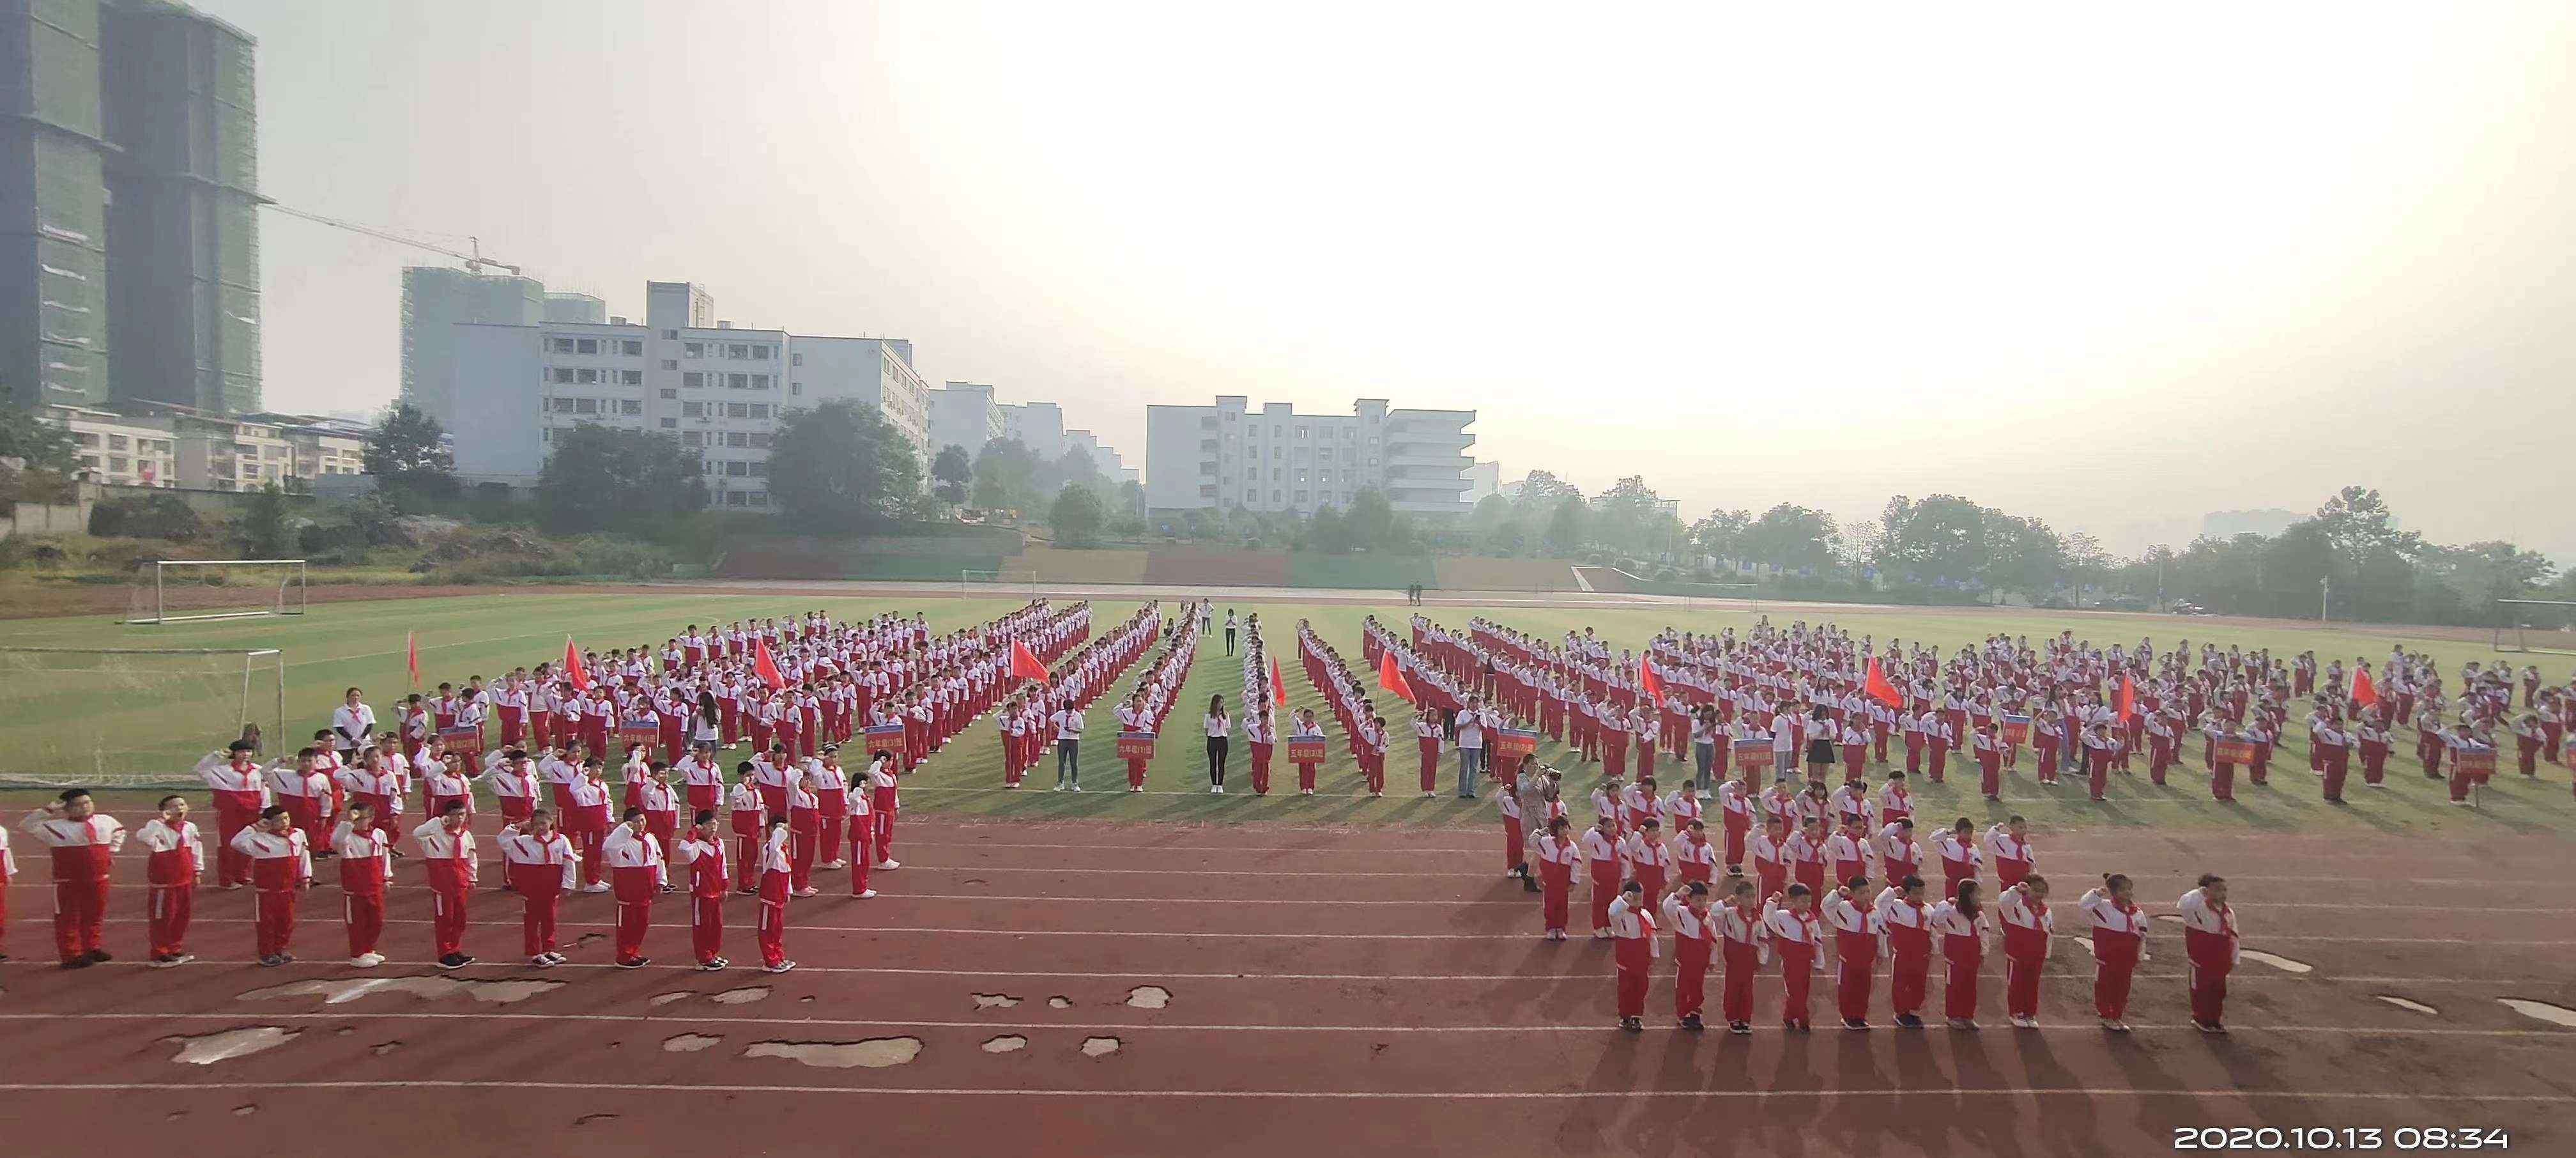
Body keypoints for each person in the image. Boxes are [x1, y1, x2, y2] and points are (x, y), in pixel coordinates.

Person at [22, 789, 125, 968]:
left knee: (95, 915)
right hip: (68, 882)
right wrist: (49, 810)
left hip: (99, 878)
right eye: (78, 805)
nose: (85, 807)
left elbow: (120, 832)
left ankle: (92, 947)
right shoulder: (55, 827)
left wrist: (112, 851)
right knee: (68, 918)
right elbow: (27, 825)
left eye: (88, 802)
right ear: (67, 809)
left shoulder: (106, 821)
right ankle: (71, 955)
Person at [232, 805, 312, 966]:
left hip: (289, 886)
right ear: (268, 822)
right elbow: (236, 843)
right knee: (267, 923)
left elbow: (304, 855)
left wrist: (306, 877)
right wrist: (254, 828)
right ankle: (266, 953)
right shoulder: (259, 838)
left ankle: (281, 949)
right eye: (278, 820)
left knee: (287, 921)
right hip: (267, 889)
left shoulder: (298, 834)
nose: (284, 822)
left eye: (286, 818)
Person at [136, 796, 203, 967]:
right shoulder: (157, 827)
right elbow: (143, 838)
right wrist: (159, 822)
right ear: (164, 811)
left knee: (182, 916)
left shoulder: (190, 827)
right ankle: (160, 953)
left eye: (182, 804)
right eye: (172, 807)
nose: (179, 809)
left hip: (185, 879)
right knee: (163, 917)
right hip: (164, 882)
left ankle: (175, 948)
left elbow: (196, 849)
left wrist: (197, 870)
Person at [2078, 873, 2148, 1031]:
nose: (2128, 893)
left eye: (2129, 889)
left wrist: (2139, 954)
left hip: (2127, 959)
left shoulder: (2137, 913)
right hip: (2107, 958)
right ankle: (2105, 1015)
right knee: (2105, 986)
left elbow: (2142, 935)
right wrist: (2096, 894)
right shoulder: (2103, 907)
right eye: (2123, 890)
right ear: (2113, 892)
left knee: (2122, 989)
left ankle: (2117, 1016)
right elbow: (2083, 906)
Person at [413, 800, 479, 969]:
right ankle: (444, 954)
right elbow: (417, 833)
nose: (459, 818)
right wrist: (438, 822)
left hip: (461, 884)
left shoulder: (466, 835)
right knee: (445, 920)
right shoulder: (433, 836)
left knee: (460, 919)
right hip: (443, 886)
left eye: (462, 814)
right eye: (455, 815)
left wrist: (472, 877)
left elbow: (471, 857)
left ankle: (455, 949)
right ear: (447, 816)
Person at [604, 808, 668, 968]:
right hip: (628, 891)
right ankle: (624, 956)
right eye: (636, 821)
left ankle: (634, 951)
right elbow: (608, 847)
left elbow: (658, 858)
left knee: (642, 923)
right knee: (627, 925)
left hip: (646, 889)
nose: (641, 824)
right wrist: (625, 828)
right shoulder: (621, 842)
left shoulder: (650, 838)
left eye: (642, 820)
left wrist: (661, 880)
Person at [333, 801, 394, 967]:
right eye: (356, 818)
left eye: (362, 818)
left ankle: (368, 949)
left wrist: (386, 877)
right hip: (355, 886)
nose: (358, 822)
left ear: (371, 818)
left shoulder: (379, 834)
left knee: (377, 920)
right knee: (357, 921)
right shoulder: (347, 835)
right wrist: (348, 822)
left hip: (375, 884)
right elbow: (336, 841)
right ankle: (357, 954)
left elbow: (384, 856)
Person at [2177, 873, 2239, 1033]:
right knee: (2201, 988)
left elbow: (2234, 935)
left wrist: (2234, 957)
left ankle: (2214, 1019)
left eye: (2224, 890)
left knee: (2218, 990)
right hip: (2202, 956)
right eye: (2217, 890)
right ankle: (2200, 1018)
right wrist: (2199, 893)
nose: (2223, 894)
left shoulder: (2228, 912)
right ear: (2206, 891)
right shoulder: (2199, 908)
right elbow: (2184, 905)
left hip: (2221, 957)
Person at [1821, 876, 1883, 1030]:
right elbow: (1826, 906)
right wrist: (1838, 894)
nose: (1867, 896)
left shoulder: (1874, 912)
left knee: (1864, 989)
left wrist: (1881, 953)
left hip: (1866, 961)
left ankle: (1860, 1016)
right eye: (1862, 893)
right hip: (1848, 960)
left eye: (1868, 892)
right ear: (1853, 894)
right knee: (1847, 989)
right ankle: (1848, 1017)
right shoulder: (1843, 908)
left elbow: (1880, 934)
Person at [675, 810, 731, 970]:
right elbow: (683, 847)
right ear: (700, 828)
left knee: (716, 926)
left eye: (715, 824)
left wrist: (724, 887)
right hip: (702, 893)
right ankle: (703, 958)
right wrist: (694, 831)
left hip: (716, 891)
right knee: (703, 926)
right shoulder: (696, 846)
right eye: (708, 825)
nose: (712, 828)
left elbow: (723, 867)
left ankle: (713, 953)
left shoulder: (719, 844)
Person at [1997, 874, 2053, 1028]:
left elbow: (2049, 933)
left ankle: (2030, 1013)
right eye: (2035, 890)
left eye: (2043, 890)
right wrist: (2016, 890)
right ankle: (2016, 1012)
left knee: (2032, 984)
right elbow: (2004, 902)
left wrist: (2046, 953)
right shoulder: (2016, 906)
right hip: (2018, 953)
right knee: (2017, 983)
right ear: (2027, 890)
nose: (2039, 894)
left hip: (2037, 954)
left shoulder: (2046, 911)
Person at [1876, 875, 1933, 1028]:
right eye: (1915, 893)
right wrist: (1893, 892)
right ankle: (1901, 1013)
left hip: (1922, 956)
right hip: (1903, 955)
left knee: (1919, 984)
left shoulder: (1928, 909)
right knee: (1901, 984)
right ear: (1907, 893)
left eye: (1922, 893)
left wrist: (1934, 949)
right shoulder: (1897, 906)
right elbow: (1880, 903)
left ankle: (1913, 1011)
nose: (1919, 896)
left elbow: (1932, 929)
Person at [1765, 883, 1823, 1031]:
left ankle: (1789, 1017)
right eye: (1803, 901)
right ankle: (1804, 1020)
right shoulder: (1783, 917)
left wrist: (1819, 962)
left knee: (1803, 992)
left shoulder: (1812, 920)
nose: (1807, 904)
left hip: (1806, 962)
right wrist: (1773, 902)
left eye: (1809, 901)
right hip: (1790, 962)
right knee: (1794, 991)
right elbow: (1769, 917)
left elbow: (1817, 941)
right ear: (1794, 901)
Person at [1716, 877, 1767, 1035]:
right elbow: (1714, 914)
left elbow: (1763, 940)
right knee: (1732, 989)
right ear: (1738, 898)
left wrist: (1762, 959)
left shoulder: (1758, 918)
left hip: (1749, 959)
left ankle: (1745, 1018)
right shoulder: (1730, 914)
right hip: (1734, 958)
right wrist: (1725, 902)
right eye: (1747, 897)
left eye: (1753, 896)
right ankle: (1733, 1018)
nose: (1751, 900)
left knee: (1747, 991)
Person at [1606, 879, 1658, 1031]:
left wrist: (1654, 954)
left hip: (1642, 959)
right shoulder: (1621, 915)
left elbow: (1652, 935)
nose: (1637, 902)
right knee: (1625, 989)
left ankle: (1636, 1016)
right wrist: (1623, 900)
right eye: (1634, 898)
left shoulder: (1645, 914)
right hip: (1626, 958)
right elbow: (1612, 913)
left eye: (1640, 898)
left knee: (1641, 988)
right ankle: (1625, 1016)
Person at [1664, 881, 1715, 1030]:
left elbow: (1713, 937)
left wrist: (1712, 959)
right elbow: (1668, 908)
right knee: (1683, 988)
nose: (1702, 903)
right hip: (1686, 959)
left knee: (1697, 988)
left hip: (1701, 959)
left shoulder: (1706, 916)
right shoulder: (1681, 913)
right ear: (1689, 899)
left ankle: (1695, 1012)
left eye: (1704, 900)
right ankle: (1683, 1014)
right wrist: (1679, 894)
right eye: (1698, 900)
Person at [756, 815, 797, 973]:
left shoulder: (784, 850)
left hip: (780, 893)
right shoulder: (769, 848)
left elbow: (787, 871)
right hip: (770, 894)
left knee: (777, 929)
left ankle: (778, 956)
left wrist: (788, 890)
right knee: (767, 929)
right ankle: (770, 960)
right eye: (782, 830)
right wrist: (778, 830)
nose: (784, 834)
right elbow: (773, 848)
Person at [1535, 817, 1575, 940]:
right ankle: (1551, 928)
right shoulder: (1547, 842)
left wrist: (1574, 881)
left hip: (1563, 882)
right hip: (1550, 881)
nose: (1565, 831)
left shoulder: (1572, 846)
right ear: (1555, 830)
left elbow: (1576, 864)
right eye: (1561, 828)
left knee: (1563, 906)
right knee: (1550, 905)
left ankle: (1561, 928)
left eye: (1566, 828)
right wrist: (1543, 831)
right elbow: (1532, 840)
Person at [1582, 814, 1621, 938]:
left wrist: (1625, 875)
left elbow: (1624, 859)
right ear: (1602, 828)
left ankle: (1609, 926)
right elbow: (1586, 840)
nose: (1612, 829)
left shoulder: (1620, 841)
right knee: (1599, 902)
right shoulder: (1597, 839)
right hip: (1600, 876)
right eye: (1608, 827)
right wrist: (1594, 829)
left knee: (1612, 902)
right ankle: (1598, 927)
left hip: (1614, 877)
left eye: (1613, 826)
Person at [1052, 698, 1085, 791]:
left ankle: (1075, 783)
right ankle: (1060, 783)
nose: (1069, 712)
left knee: (1074, 763)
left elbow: (1081, 730)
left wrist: (1072, 730)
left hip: (1073, 740)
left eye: (1070, 710)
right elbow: (1051, 720)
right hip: (1062, 740)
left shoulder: (1077, 715)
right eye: (1067, 710)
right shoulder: (1061, 714)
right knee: (1062, 762)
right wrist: (1057, 729)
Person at [1204, 694, 1232, 793]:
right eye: (1219, 702)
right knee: (1212, 763)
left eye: (1222, 703)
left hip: (1222, 740)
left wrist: (1221, 734)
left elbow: (1228, 729)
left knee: (1221, 763)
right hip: (1212, 740)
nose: (1220, 705)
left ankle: (1220, 784)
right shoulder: (1208, 716)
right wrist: (1212, 735)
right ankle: (1214, 784)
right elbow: (1206, 730)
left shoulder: (1225, 716)